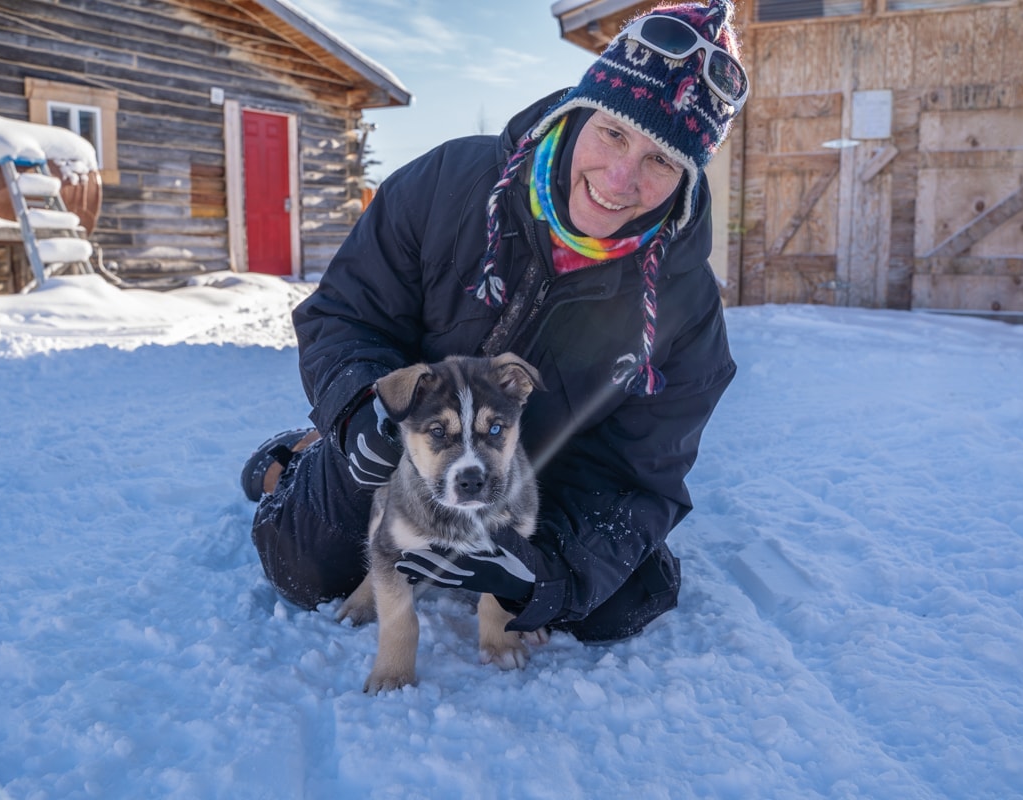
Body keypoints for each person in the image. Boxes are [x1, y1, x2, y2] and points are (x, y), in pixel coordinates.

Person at [242, 0, 749, 643]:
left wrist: (546, 574)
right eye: (614, 133)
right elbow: (346, 313)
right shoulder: (447, 181)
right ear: (579, 110)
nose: (620, 179)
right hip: (406, 446)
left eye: (662, 160)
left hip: (542, 480)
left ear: (687, 175)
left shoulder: (687, 307)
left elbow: (641, 474)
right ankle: (293, 456)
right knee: (307, 571)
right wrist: (356, 406)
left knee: (617, 603)